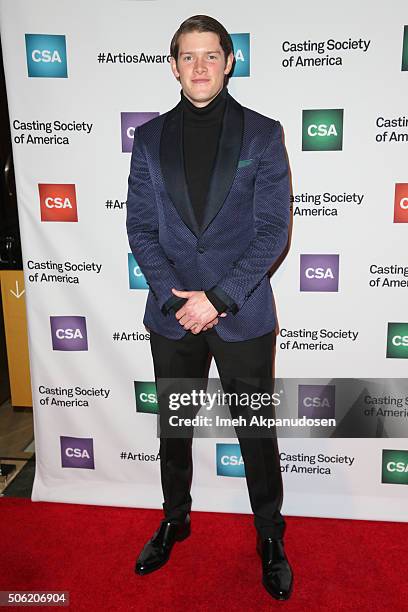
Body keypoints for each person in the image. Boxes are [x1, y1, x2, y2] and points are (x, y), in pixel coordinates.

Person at [126, 14, 293, 600]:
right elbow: (141, 229)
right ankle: (175, 518)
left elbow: (273, 230)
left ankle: (270, 536)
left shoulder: (264, 134)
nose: (199, 67)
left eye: (210, 56)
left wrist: (218, 298)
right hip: (172, 314)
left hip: (241, 312)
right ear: (173, 65)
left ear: (229, 61)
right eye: (188, 57)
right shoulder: (148, 141)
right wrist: (180, 301)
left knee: (255, 430)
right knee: (175, 429)